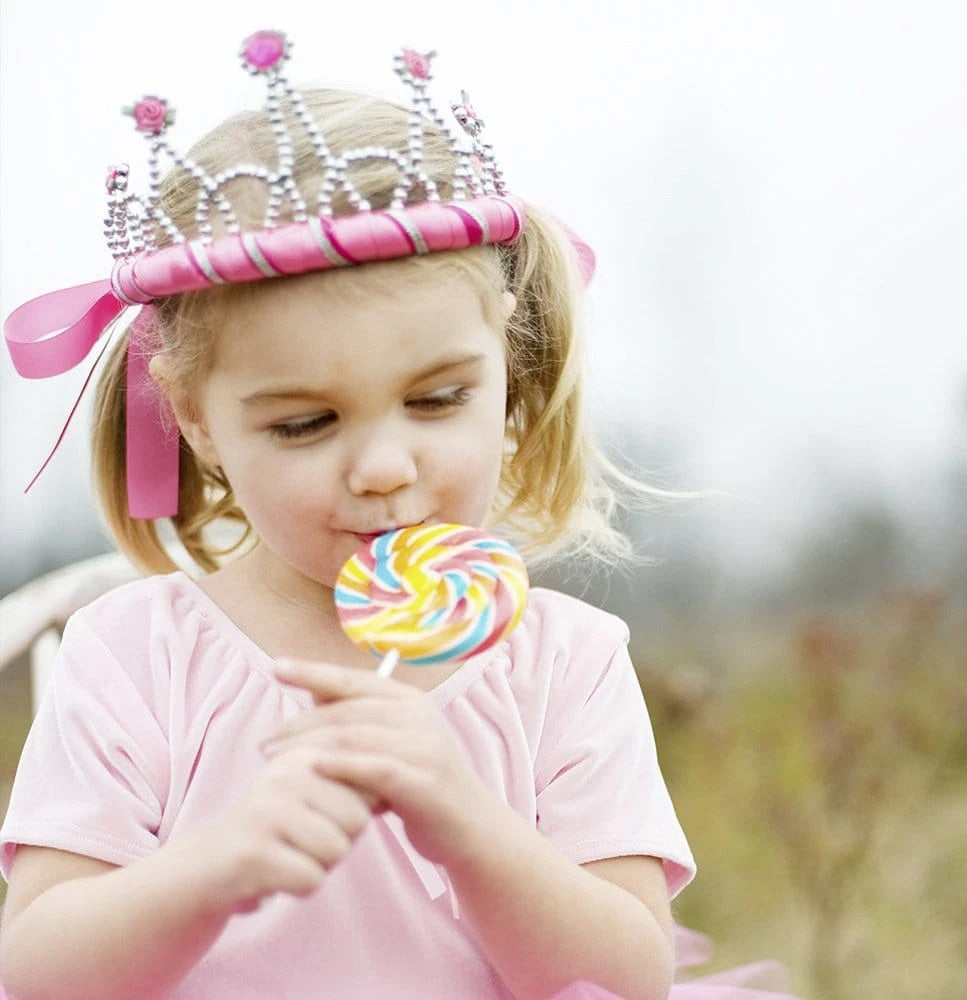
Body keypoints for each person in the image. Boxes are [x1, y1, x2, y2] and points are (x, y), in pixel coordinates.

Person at [0, 31, 801, 1000]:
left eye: (435, 400)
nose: (384, 467)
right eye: (305, 422)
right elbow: (35, 971)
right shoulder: (132, 652)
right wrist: (212, 868)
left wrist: (465, 818)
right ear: (195, 418)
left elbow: (627, 972)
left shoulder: (560, 658)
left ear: (505, 371)